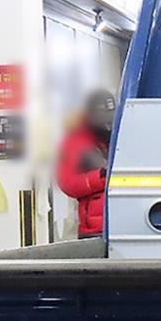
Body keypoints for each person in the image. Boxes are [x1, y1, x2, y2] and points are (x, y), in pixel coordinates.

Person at [56, 90, 116, 238]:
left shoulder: (122, 134)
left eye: (110, 119)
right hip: (94, 230)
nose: (107, 125)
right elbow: (67, 183)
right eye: (102, 120)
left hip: (124, 224)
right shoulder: (76, 142)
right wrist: (101, 178)